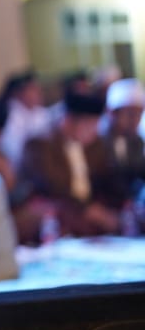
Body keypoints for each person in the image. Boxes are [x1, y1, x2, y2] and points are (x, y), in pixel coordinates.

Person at [14, 91, 118, 242]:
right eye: (90, 125)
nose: (94, 132)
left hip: (91, 210)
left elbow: (106, 178)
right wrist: (86, 209)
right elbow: (51, 186)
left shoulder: (96, 146)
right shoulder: (39, 144)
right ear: (69, 121)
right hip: (57, 210)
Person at [100, 78, 145, 210]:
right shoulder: (98, 141)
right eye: (130, 114)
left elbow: (139, 171)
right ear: (111, 113)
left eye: (139, 114)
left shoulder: (136, 140)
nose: (135, 120)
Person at [0, 72, 52, 166]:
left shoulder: (41, 113)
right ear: (18, 93)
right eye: (33, 89)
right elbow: (12, 150)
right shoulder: (9, 114)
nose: (38, 92)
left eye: (38, 88)